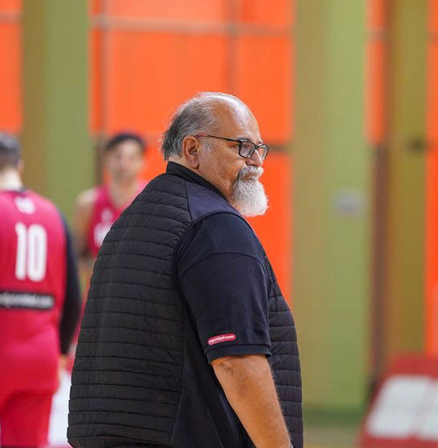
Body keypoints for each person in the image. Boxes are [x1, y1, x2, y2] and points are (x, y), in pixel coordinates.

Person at [68, 92, 302, 448]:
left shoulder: (131, 220)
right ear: (193, 149)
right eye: (241, 147)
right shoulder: (215, 226)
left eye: (259, 148)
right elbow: (235, 361)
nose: (257, 162)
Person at [0, 132, 82, 448]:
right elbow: (74, 298)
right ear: (19, 166)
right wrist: (59, 352)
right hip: (42, 358)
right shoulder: (54, 214)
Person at [73, 132, 146, 278]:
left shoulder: (152, 200)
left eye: (131, 158)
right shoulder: (88, 203)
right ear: (107, 160)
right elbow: (76, 258)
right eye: (118, 157)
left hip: (139, 296)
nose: (124, 164)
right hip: (98, 296)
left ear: (141, 162)